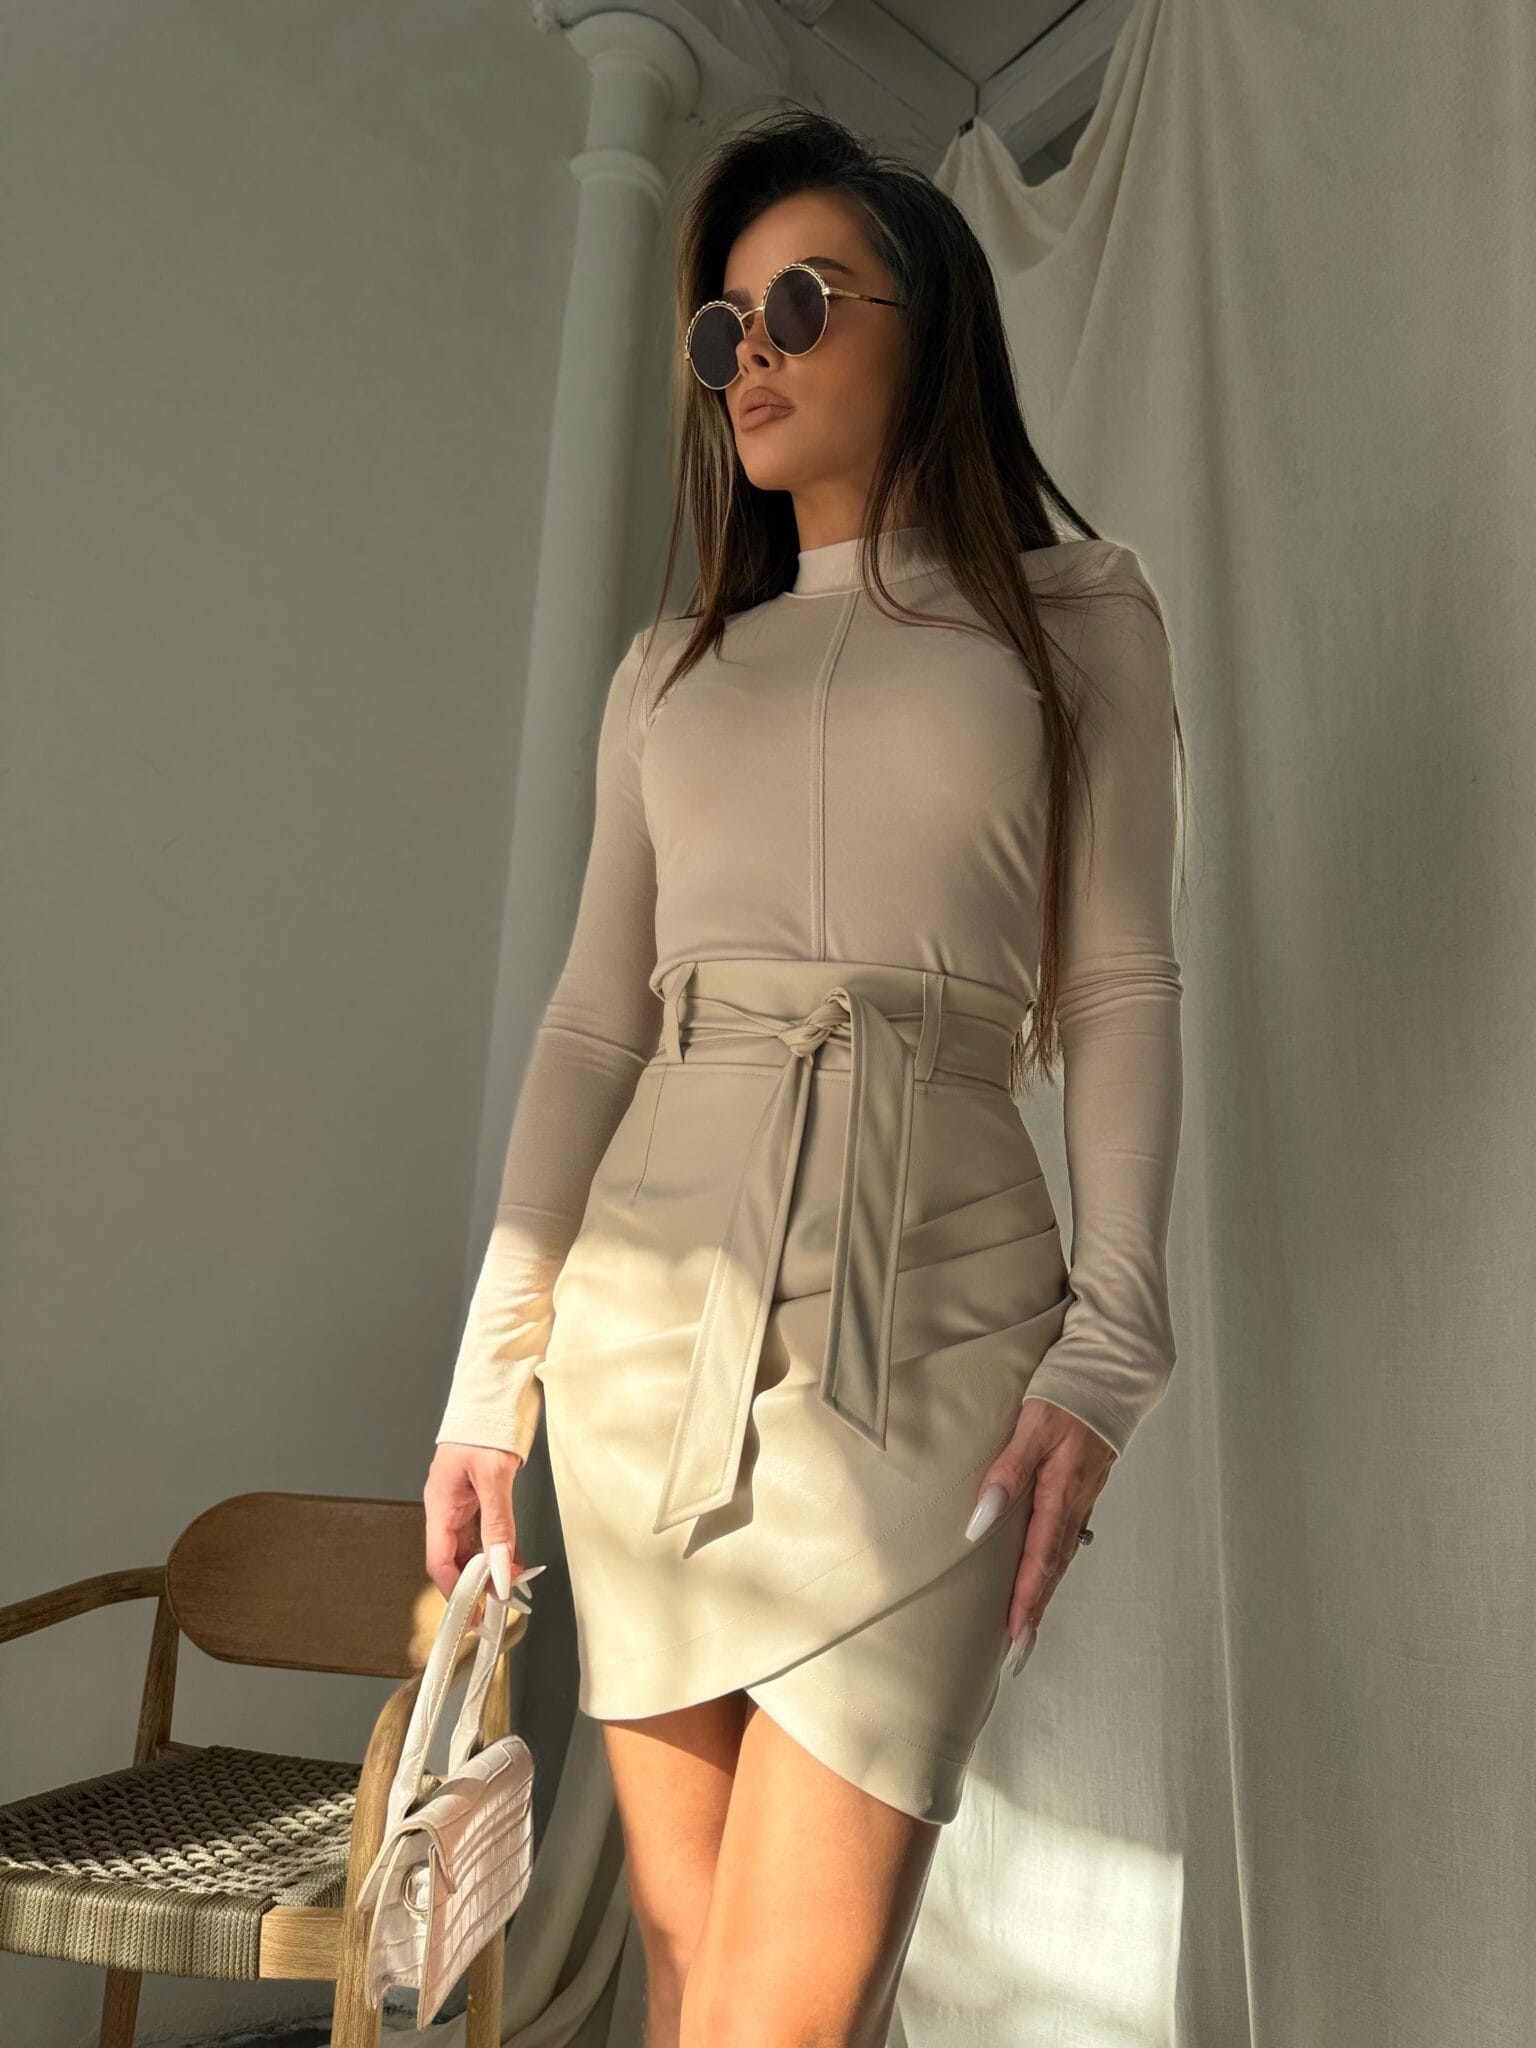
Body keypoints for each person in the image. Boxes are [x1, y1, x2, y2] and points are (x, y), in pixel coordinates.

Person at [423, 107, 1188, 2048]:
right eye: (722, 327)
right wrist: (489, 1386)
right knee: (690, 1977)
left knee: (784, 2009)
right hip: (644, 1340)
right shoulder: (667, 672)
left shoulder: (1080, 622)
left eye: (800, 304)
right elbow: (591, 1024)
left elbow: (1118, 984)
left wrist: (1114, 1340)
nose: (747, 354)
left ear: (931, 327)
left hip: (939, 1314)